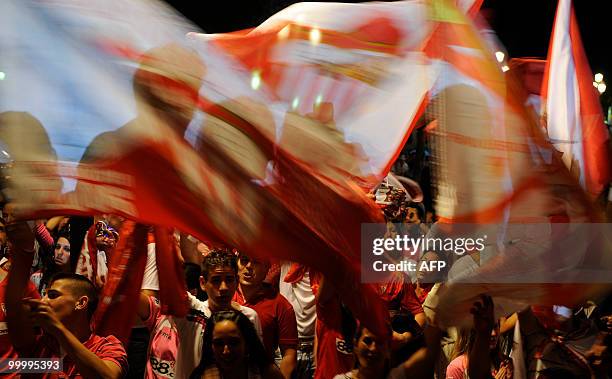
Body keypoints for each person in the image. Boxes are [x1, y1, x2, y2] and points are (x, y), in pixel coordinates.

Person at [5, 221, 128, 378]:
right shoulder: (43, 348)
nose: (43, 301)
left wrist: (58, 329)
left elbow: (107, 376)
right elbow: (11, 365)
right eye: (45, 294)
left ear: (81, 303)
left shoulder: (106, 346)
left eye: (53, 295)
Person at [173, 248, 262, 379]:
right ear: (203, 283)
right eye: (216, 280)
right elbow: (169, 275)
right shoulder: (191, 312)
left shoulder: (249, 317)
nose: (223, 287)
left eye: (229, 280)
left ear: (237, 281)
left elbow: (255, 367)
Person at [234, 254, 298, 378]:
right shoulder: (225, 295)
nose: (248, 266)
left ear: (267, 268)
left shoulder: (280, 304)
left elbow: (289, 353)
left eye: (256, 262)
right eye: (244, 260)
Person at [190, 310, 284, 379]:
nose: (226, 351)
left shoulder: (266, 373)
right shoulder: (202, 376)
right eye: (219, 344)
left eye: (233, 343)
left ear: (247, 343)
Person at [445, 295, 512, 379]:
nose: (493, 333)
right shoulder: (456, 367)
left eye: (495, 326)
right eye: (488, 328)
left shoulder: (506, 363)